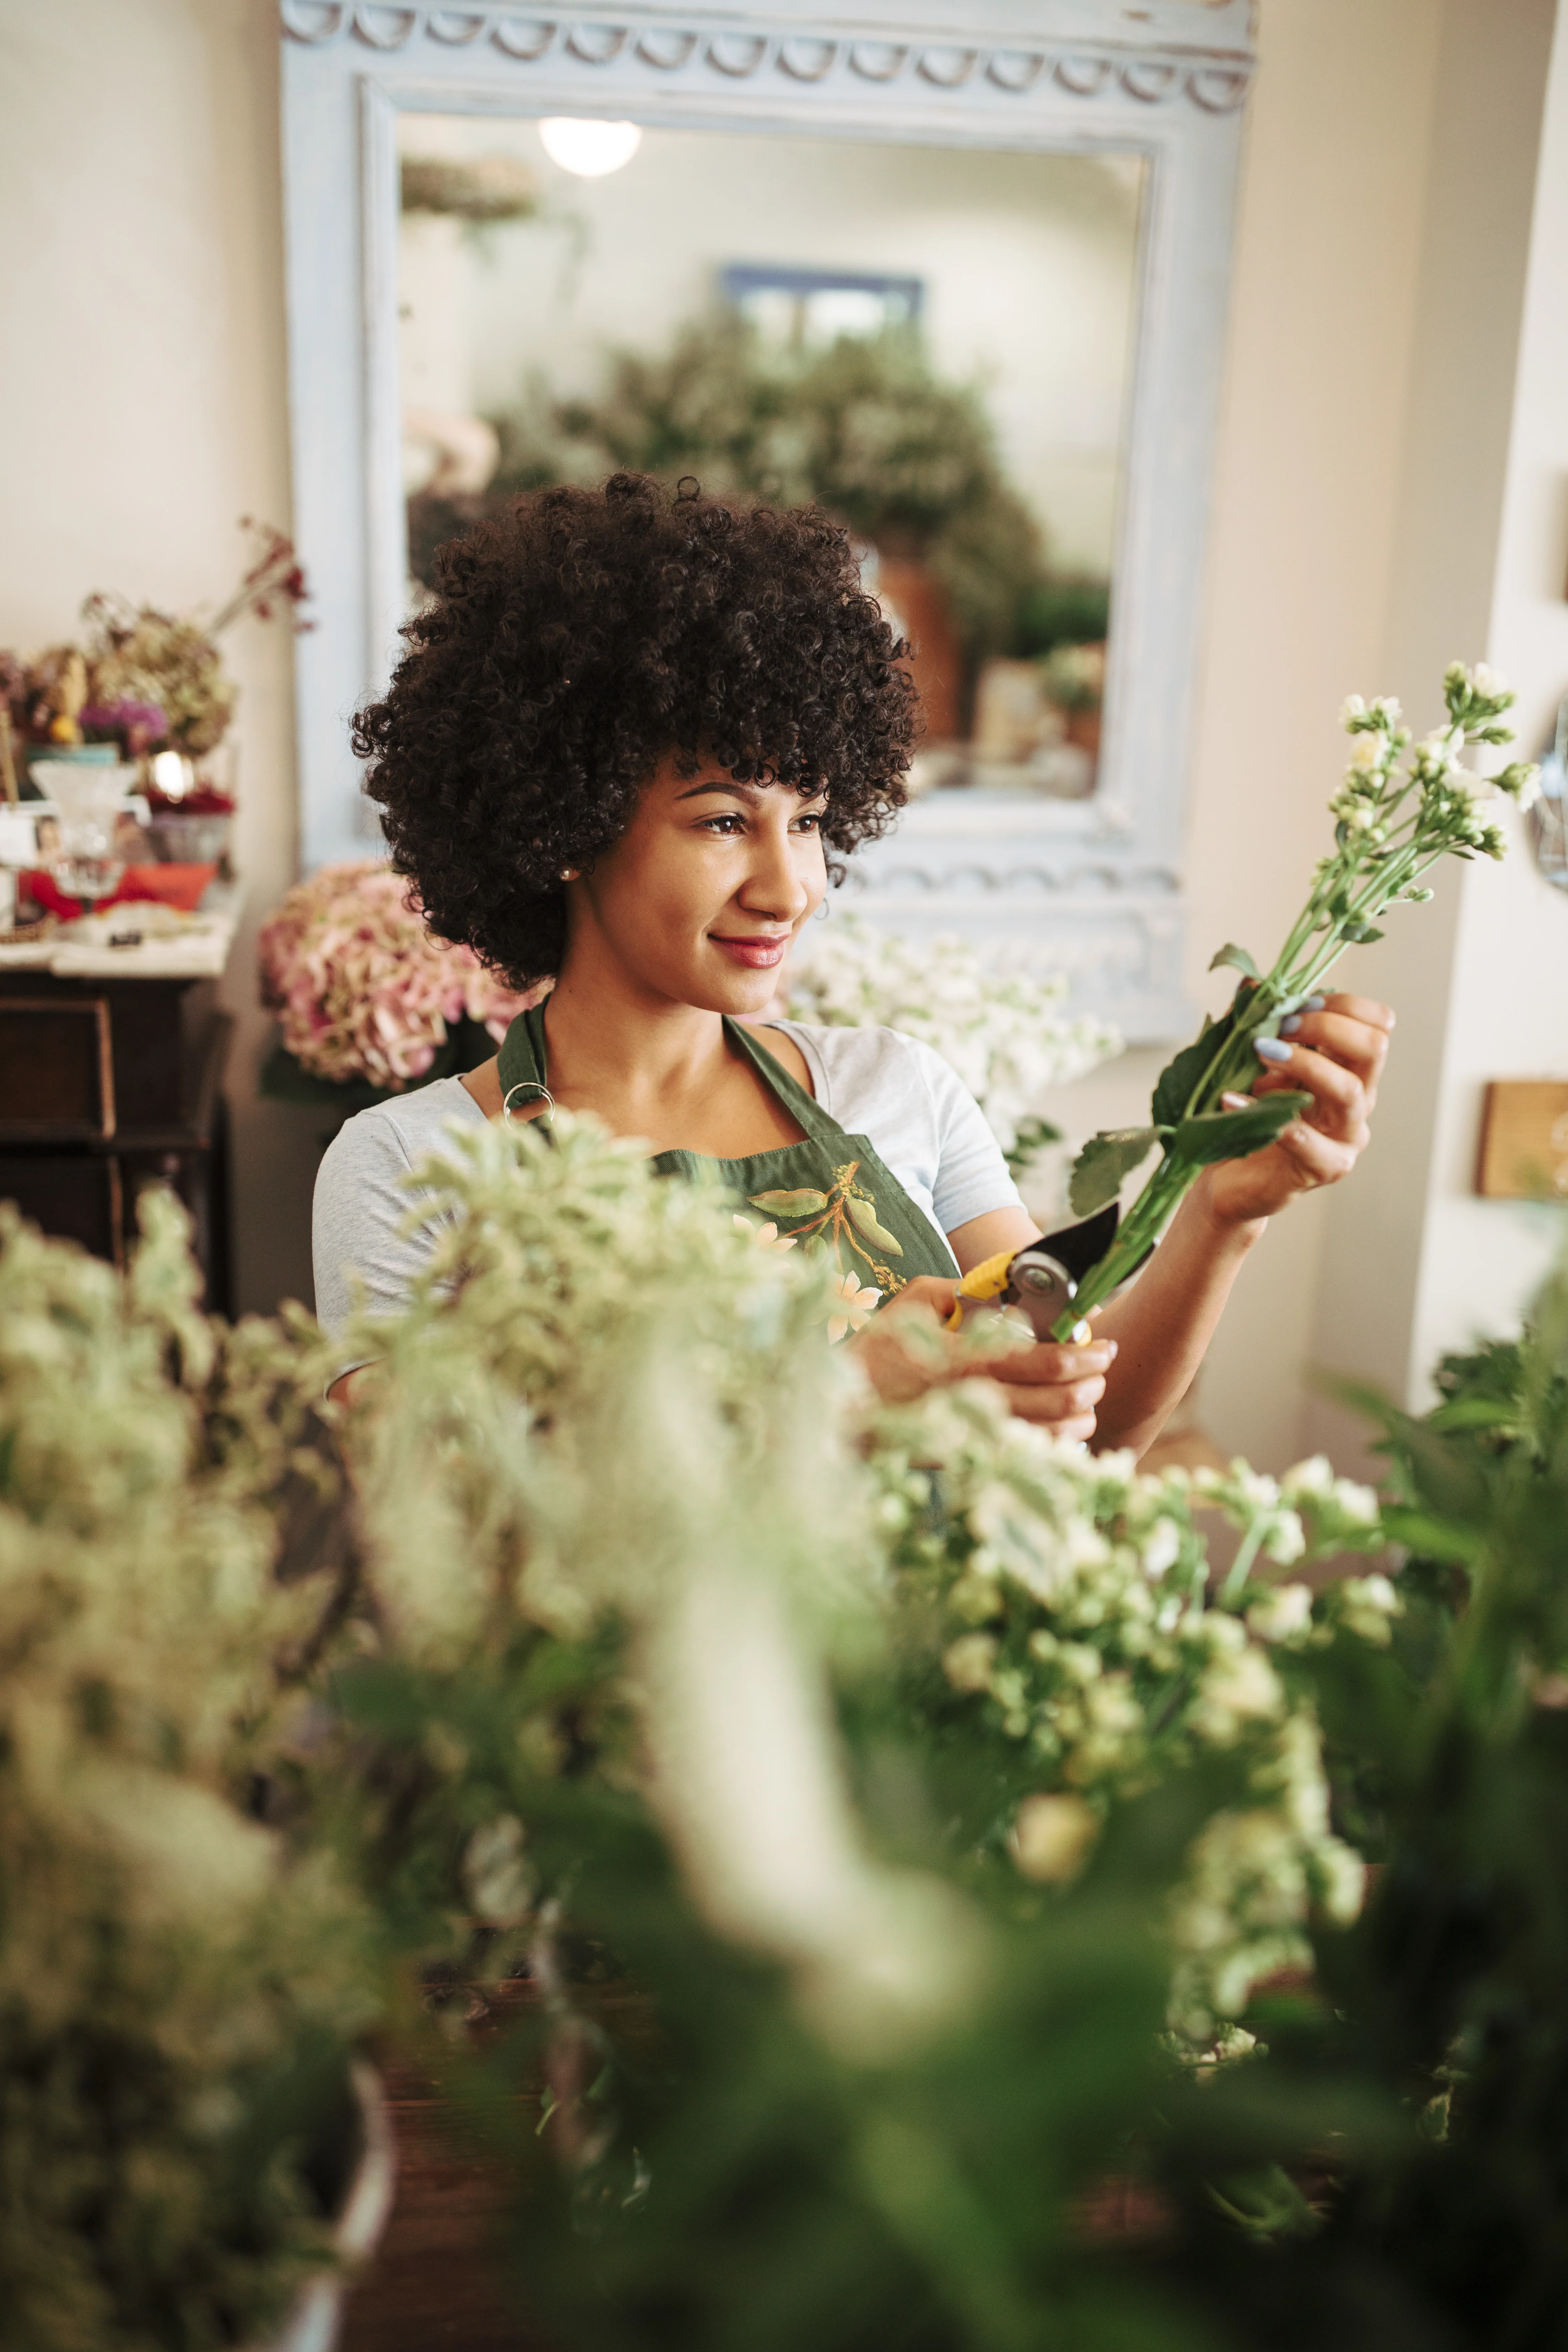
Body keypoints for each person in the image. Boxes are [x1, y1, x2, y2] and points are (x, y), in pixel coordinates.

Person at [314, 475, 1392, 1451]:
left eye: (810, 820)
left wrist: (1221, 1213)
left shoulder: (897, 1088)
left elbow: (1089, 1425)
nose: (792, 889)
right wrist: (837, 1398)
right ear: (565, 825)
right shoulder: (409, 1165)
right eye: (724, 821)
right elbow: (428, 1528)